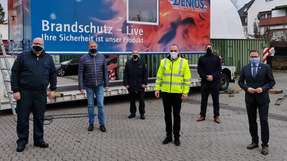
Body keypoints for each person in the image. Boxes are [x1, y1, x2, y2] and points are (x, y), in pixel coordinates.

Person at [11, 37, 57, 152]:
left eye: (40, 43)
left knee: (39, 118)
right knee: (22, 119)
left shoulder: (48, 58)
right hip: (24, 93)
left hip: (40, 93)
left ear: (43, 45)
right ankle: (22, 141)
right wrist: (15, 90)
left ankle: (39, 140)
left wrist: (53, 89)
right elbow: (14, 73)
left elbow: (53, 74)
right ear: (32, 44)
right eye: (35, 43)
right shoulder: (22, 57)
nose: (37, 45)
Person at [238, 50, 275, 155]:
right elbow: (240, 82)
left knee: (264, 121)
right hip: (250, 99)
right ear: (249, 57)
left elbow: (272, 82)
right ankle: (254, 141)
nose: (253, 58)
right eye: (251, 56)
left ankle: (265, 145)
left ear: (259, 56)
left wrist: (263, 89)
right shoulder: (245, 68)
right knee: (252, 121)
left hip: (263, 99)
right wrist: (247, 88)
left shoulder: (266, 67)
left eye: (255, 56)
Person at [155, 44, 191, 146]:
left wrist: (185, 92)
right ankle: (168, 136)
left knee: (176, 116)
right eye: (171, 50)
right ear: (169, 51)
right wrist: (157, 89)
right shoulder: (163, 62)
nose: (173, 52)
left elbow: (187, 79)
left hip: (177, 94)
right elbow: (159, 77)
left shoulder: (184, 62)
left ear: (178, 51)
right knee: (167, 115)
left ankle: (176, 137)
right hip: (166, 93)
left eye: (175, 50)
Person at [78, 41, 108, 132]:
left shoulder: (102, 57)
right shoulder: (83, 58)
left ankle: (102, 124)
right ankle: (91, 124)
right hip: (88, 85)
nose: (93, 47)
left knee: (100, 105)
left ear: (97, 47)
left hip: (99, 85)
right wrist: (81, 87)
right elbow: (80, 73)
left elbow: (105, 71)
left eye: (94, 46)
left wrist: (106, 84)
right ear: (89, 47)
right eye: (91, 46)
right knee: (90, 105)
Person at [197, 44, 222, 123]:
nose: (208, 48)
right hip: (205, 82)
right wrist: (206, 77)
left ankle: (216, 116)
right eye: (207, 47)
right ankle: (202, 115)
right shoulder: (201, 58)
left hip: (215, 82)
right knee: (203, 100)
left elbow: (219, 70)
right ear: (205, 49)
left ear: (212, 48)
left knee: (216, 100)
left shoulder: (217, 58)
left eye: (209, 47)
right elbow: (199, 70)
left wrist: (213, 76)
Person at [123, 50, 148, 120]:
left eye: (136, 53)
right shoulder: (128, 63)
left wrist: (145, 83)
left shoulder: (142, 62)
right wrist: (126, 83)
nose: (135, 54)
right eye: (134, 53)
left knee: (141, 101)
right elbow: (125, 74)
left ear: (139, 54)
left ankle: (142, 114)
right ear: (131, 54)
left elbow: (145, 74)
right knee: (132, 101)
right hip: (131, 85)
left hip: (140, 85)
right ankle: (132, 113)